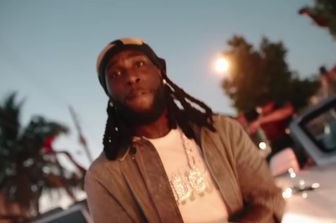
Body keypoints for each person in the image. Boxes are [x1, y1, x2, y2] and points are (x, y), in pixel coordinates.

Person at [84, 38, 285, 223]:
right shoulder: (103, 177)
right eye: (115, 74)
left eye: (139, 64)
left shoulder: (221, 130)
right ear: (109, 93)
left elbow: (267, 199)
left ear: (160, 72)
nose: (131, 77)